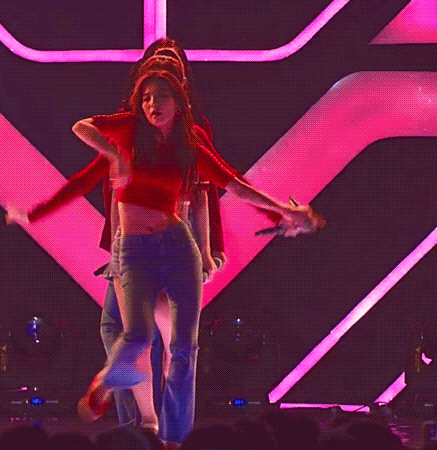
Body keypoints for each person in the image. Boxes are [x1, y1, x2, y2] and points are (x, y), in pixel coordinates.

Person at [72, 69, 324, 447]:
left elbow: (235, 184)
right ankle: (114, 387)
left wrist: (283, 212)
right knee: (137, 337)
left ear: (179, 104)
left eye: (161, 97)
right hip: (136, 251)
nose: (153, 104)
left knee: (183, 349)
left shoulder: (190, 147)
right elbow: (82, 126)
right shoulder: (128, 131)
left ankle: (174, 438)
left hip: (177, 247)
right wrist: (113, 154)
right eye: (146, 98)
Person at [7, 43, 247, 432]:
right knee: (136, 335)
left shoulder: (189, 134)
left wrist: (207, 251)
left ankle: (153, 425)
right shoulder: (128, 131)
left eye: (169, 71)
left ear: (179, 86)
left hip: (169, 241)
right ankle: (147, 423)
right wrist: (36, 213)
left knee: (156, 339)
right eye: (154, 72)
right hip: (132, 244)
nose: (156, 96)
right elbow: (85, 177)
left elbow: (208, 190)